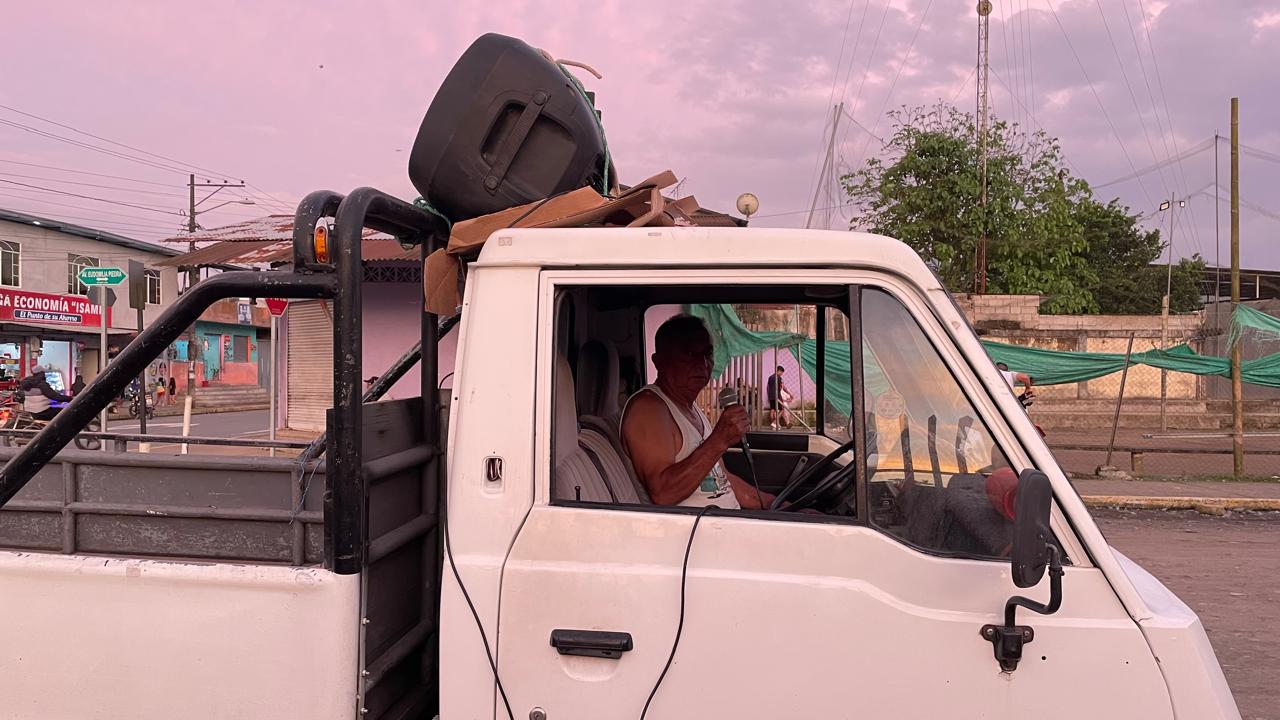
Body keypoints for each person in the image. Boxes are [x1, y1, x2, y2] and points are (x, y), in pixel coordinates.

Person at [621, 315, 776, 510]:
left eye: (707, 354)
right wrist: (719, 440)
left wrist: (777, 505)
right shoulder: (649, 409)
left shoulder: (691, 409)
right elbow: (663, 493)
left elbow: (724, 481)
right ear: (659, 362)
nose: (702, 363)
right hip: (696, 529)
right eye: (689, 354)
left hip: (727, 521)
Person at [766, 365, 790, 430]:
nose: (781, 374)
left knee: (773, 410)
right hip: (777, 396)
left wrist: (769, 395)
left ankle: (774, 425)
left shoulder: (770, 377)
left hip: (771, 396)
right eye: (781, 372)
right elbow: (782, 387)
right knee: (782, 409)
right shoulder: (778, 377)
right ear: (779, 371)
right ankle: (774, 423)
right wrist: (789, 393)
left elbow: (768, 387)